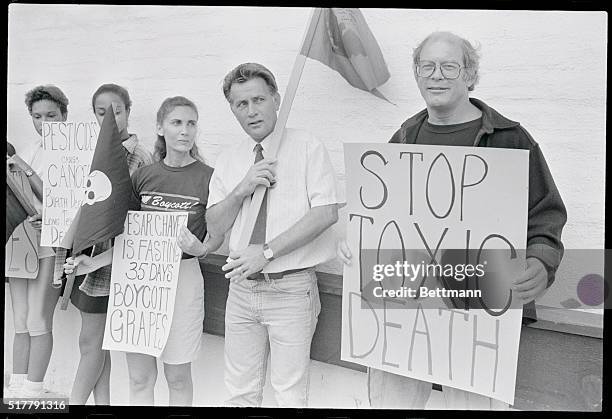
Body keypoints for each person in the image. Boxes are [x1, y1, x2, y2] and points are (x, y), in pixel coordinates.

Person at [337, 31, 567, 410]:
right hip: (405, 304)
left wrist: (541, 262)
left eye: (448, 66)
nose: (436, 75)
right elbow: (379, 219)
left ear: (469, 75)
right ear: (417, 74)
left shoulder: (510, 139)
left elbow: (546, 214)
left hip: (481, 308)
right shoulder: (403, 138)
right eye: (427, 66)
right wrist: (358, 240)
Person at [65, 96, 223, 406]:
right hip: (138, 282)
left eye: (191, 123)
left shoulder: (210, 178)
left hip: (183, 280)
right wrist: (92, 262)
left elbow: (217, 237)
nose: (185, 130)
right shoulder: (143, 176)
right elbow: (131, 240)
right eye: (177, 122)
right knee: (140, 378)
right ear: (160, 128)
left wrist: (201, 249)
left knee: (177, 378)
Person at [206, 62, 340, 407]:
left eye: (259, 100)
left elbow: (326, 213)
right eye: (241, 104)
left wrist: (265, 252)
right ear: (233, 110)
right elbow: (214, 227)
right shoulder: (230, 158)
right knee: (239, 394)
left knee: (289, 396)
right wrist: (242, 189)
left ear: (277, 99)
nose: (252, 111)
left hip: (291, 289)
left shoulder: (307, 146)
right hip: (241, 289)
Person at [66, 83, 153, 405]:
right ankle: (101, 404)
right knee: (94, 342)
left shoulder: (141, 158)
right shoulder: (88, 154)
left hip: (118, 259)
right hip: (88, 256)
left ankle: (73, 403)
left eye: (116, 111)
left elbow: (142, 213)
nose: (110, 119)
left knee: (92, 341)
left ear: (128, 111)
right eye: (102, 113)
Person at [6, 85, 69, 398]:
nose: (44, 123)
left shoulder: (72, 154)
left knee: (37, 318)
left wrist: (21, 166)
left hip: (51, 242)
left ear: (64, 115)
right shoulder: (27, 149)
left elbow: (57, 199)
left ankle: (33, 390)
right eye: (37, 116)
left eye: (51, 116)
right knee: (19, 318)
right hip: (20, 241)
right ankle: (17, 389)